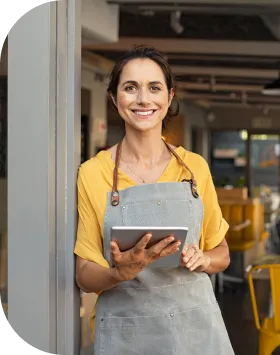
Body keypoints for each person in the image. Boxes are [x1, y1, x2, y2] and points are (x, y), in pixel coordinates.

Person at [74, 46, 234, 355]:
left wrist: (204, 260)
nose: (143, 99)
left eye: (154, 88)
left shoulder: (194, 168)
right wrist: (118, 273)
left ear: (169, 96)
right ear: (113, 97)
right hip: (127, 333)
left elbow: (222, 252)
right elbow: (84, 274)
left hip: (194, 329)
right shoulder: (94, 173)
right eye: (130, 88)